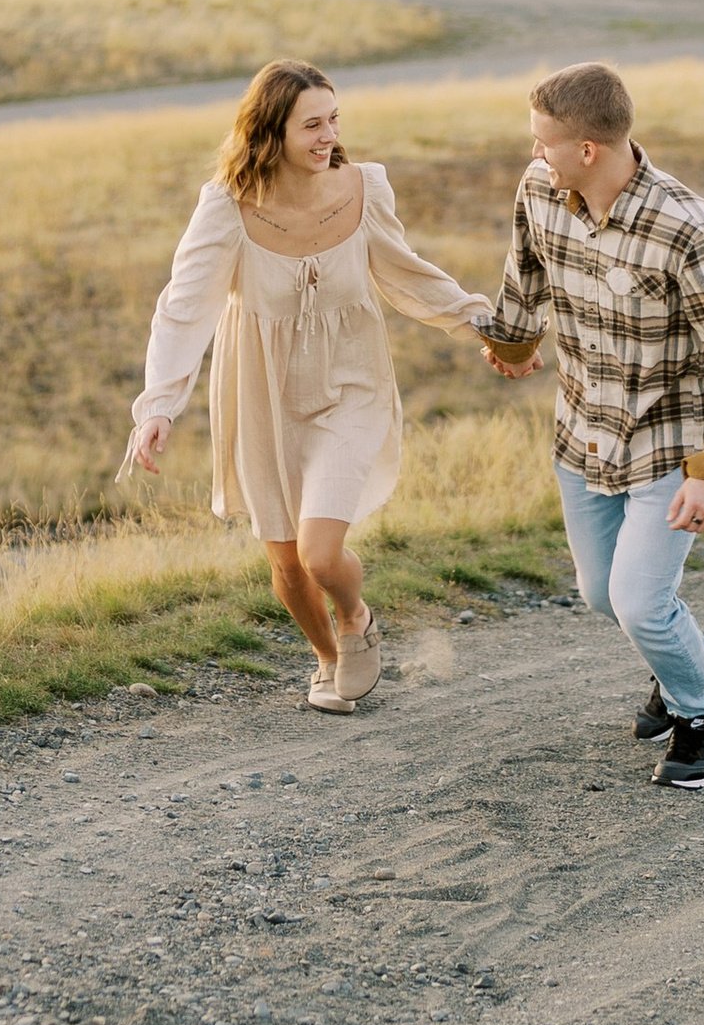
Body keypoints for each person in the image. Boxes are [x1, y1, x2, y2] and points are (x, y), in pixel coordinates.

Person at [125, 59, 494, 706]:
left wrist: (483, 324)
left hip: (351, 381)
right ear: (270, 133)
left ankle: (355, 618)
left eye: (333, 120)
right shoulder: (228, 207)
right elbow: (183, 307)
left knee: (321, 556)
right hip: (262, 395)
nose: (329, 136)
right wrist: (159, 405)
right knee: (288, 563)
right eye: (312, 125)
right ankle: (325, 656)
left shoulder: (364, 188)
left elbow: (406, 274)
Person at [480, 61, 704, 791]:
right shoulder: (539, 188)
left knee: (640, 603)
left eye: (543, 140)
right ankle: (698, 654)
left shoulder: (688, 227)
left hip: (668, 443)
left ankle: (701, 714)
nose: (533, 151)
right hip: (582, 432)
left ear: (588, 149)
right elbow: (525, 271)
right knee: (602, 594)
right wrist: (512, 342)